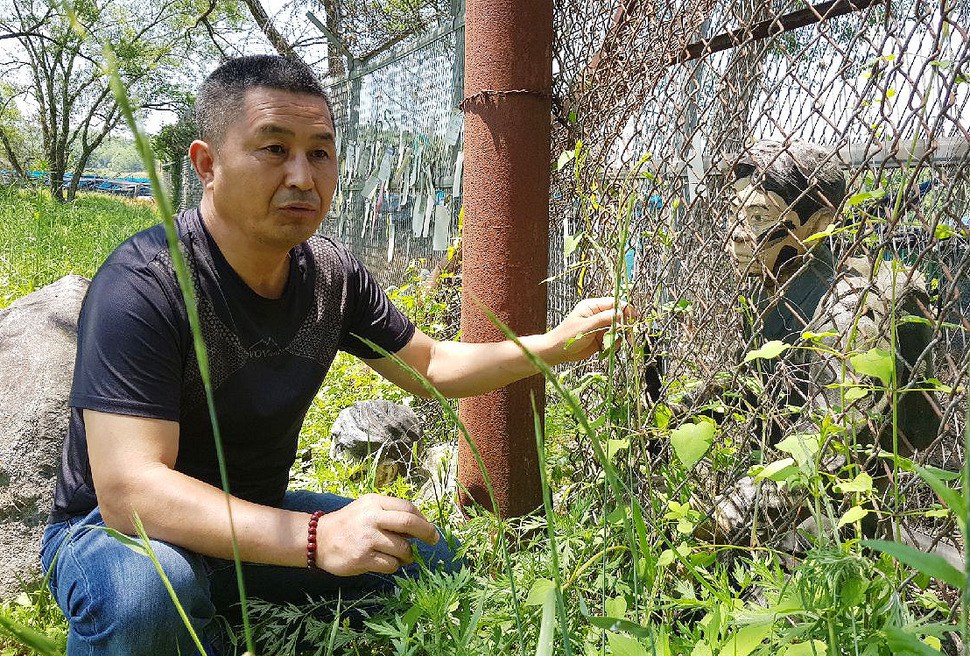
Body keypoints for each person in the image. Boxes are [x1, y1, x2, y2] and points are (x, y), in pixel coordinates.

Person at [41, 55, 633, 655]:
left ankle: (214, 605)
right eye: (274, 149)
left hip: (256, 515)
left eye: (320, 153)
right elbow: (130, 493)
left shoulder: (331, 276)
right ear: (207, 164)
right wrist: (317, 537)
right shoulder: (145, 283)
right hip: (115, 537)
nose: (302, 176)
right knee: (151, 591)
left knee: (424, 555)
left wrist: (549, 347)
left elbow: (430, 367)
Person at [701, 139, 941, 541]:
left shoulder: (852, 306)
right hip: (784, 476)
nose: (738, 235)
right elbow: (745, 387)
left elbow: (827, 440)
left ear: (817, 224)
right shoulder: (767, 289)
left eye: (759, 216)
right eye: (734, 215)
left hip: (847, 499)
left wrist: (720, 522)